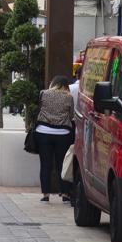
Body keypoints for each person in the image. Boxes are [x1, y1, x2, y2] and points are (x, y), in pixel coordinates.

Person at [35, 76, 74, 204]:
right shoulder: (69, 97)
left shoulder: (43, 94)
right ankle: (65, 194)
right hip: (63, 133)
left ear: (53, 83)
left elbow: (39, 109)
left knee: (45, 164)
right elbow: (71, 115)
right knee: (62, 164)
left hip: (43, 131)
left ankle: (45, 195)